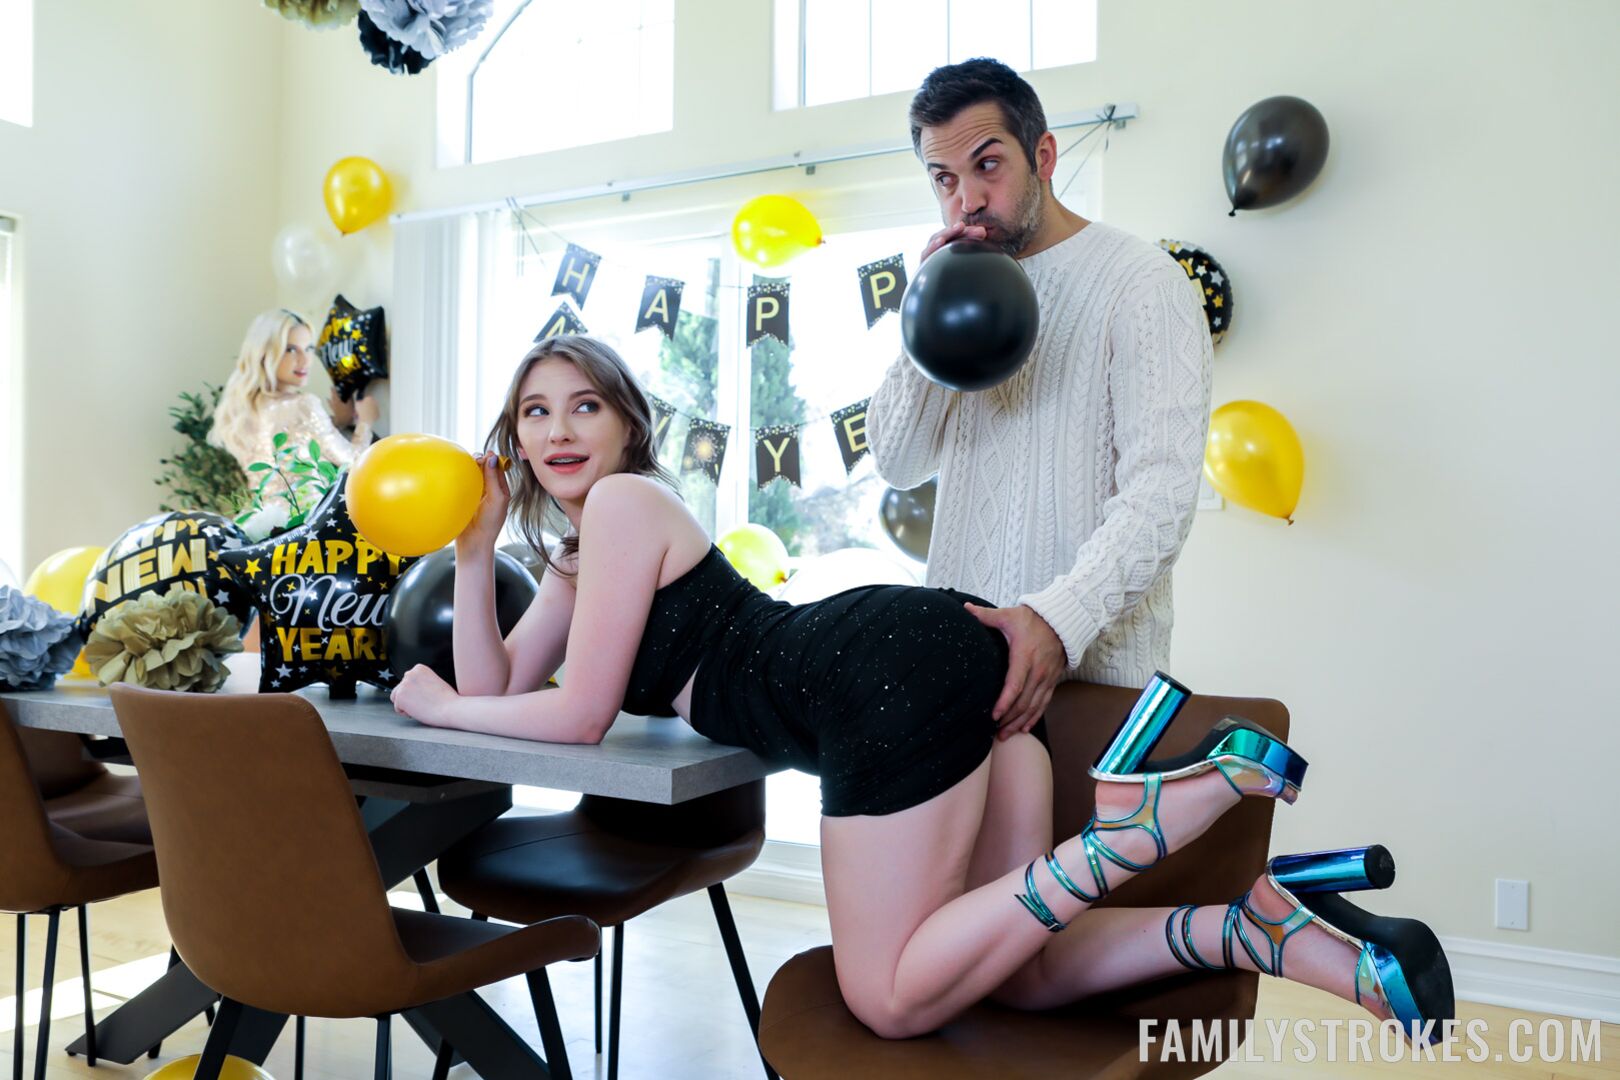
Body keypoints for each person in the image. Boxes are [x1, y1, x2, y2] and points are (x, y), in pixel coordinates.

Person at [389, 335, 1452, 1044]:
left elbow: (572, 716)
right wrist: (476, 550)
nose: (558, 431)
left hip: (877, 676)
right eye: (534, 413)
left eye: (584, 407)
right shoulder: (579, 559)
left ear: (628, 426)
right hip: (928, 653)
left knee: (888, 999)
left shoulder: (626, 505)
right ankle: (1253, 929)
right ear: (513, 438)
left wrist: (439, 709)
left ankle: (1130, 834)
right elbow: (499, 686)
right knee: (1017, 968)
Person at [867, 59, 1215, 743]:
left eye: (987, 165)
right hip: (960, 682)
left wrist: (1057, 620)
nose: (967, 200)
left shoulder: (1143, 282)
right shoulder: (952, 287)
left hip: (1097, 688)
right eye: (944, 179)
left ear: (1044, 156)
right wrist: (923, 312)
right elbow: (897, 462)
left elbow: (1161, 497)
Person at [208, 309, 379, 489]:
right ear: (265, 353)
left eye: (309, 349)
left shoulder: (244, 407)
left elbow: (294, 442)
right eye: (290, 350)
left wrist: (338, 422)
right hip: (308, 508)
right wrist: (366, 422)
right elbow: (354, 463)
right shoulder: (303, 405)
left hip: (262, 508)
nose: (305, 360)